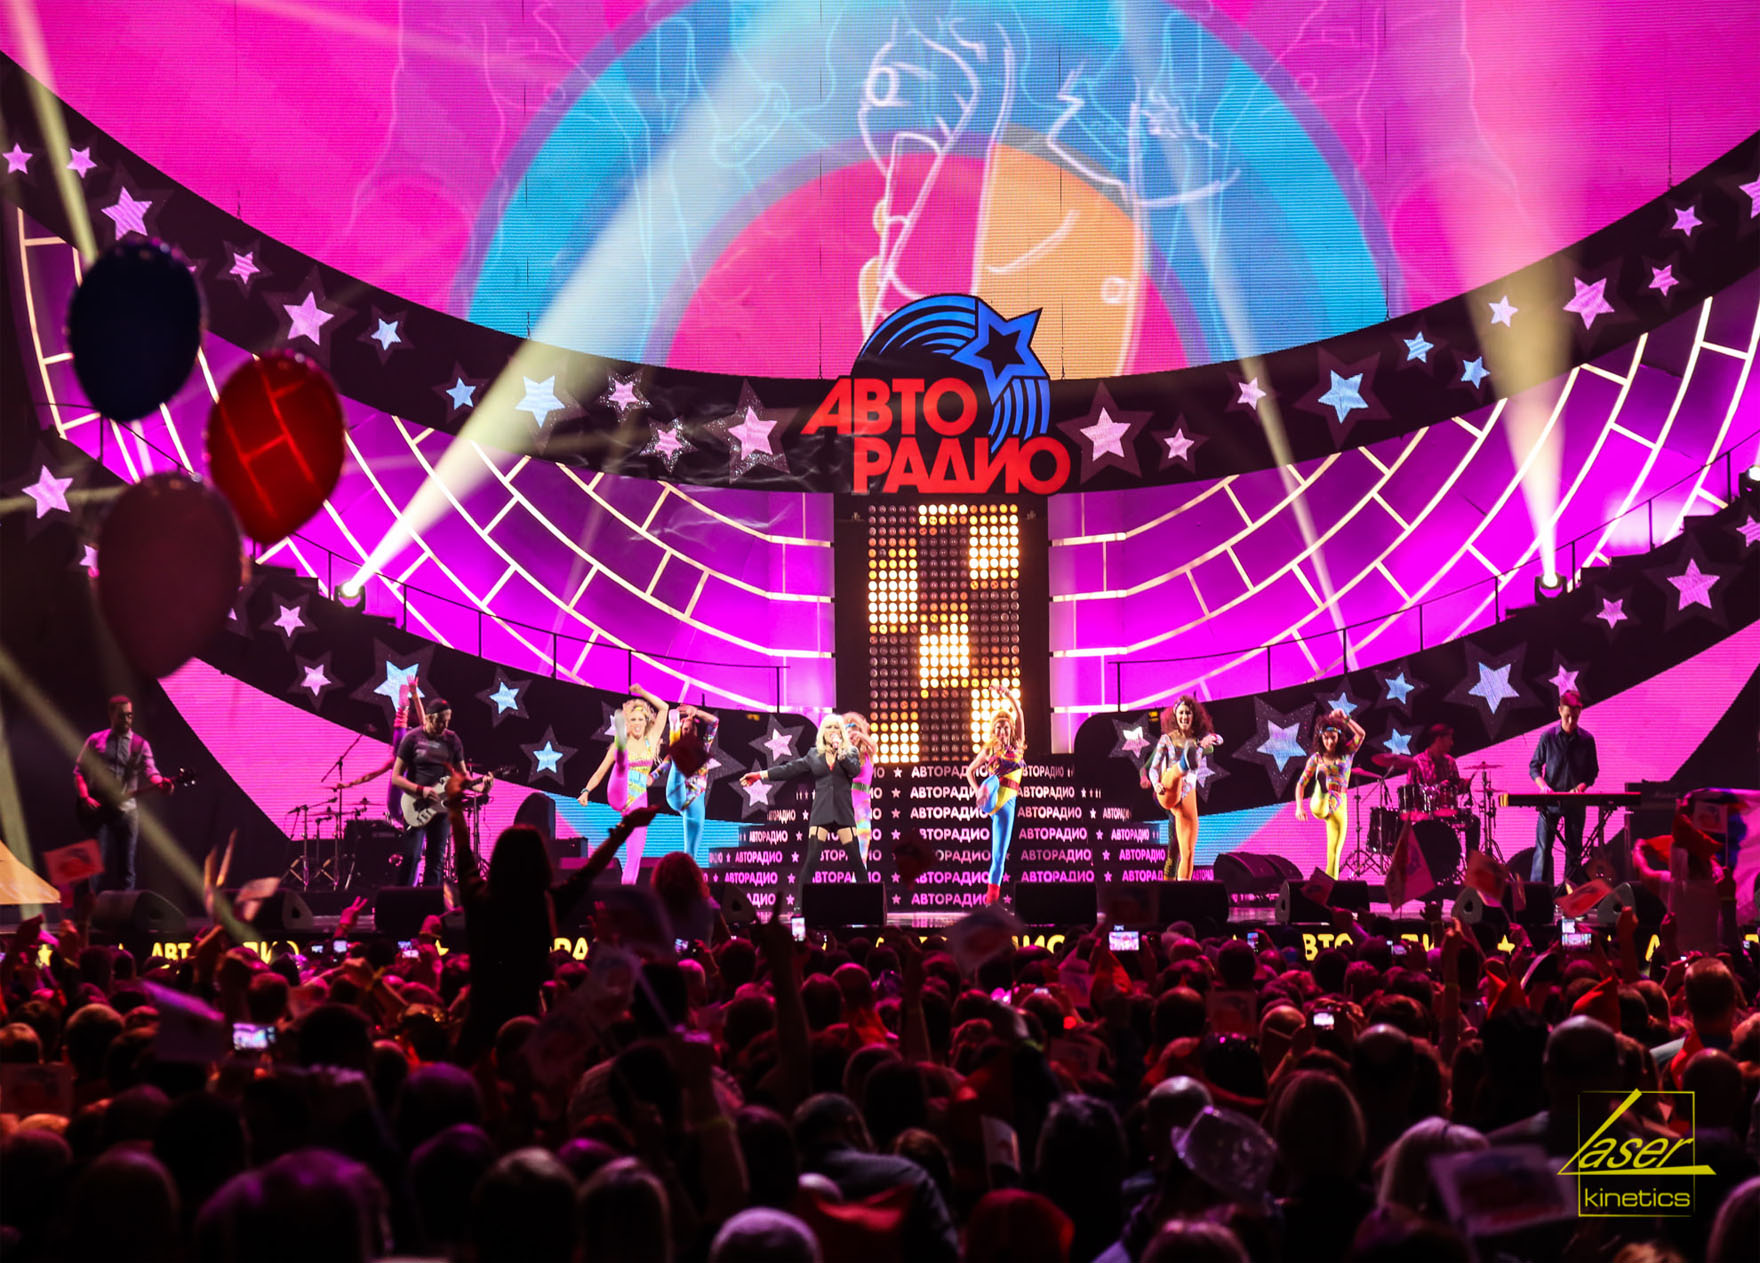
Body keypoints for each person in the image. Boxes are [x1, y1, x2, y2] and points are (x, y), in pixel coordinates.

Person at [743, 720, 865, 886]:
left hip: (843, 812)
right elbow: (789, 769)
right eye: (829, 727)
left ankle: (868, 901)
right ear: (823, 732)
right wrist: (760, 775)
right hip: (821, 813)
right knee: (811, 861)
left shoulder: (850, 752)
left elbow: (854, 770)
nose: (832, 730)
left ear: (841, 732)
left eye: (836, 727)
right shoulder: (813, 754)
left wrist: (841, 754)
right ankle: (800, 902)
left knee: (856, 861)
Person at [74, 695, 177, 892]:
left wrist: (162, 783)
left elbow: (152, 772)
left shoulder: (140, 744)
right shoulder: (95, 740)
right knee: (92, 867)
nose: (127, 720)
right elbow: (79, 772)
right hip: (98, 810)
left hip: (126, 812)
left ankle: (125, 909)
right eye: (122, 716)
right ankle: (89, 908)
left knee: (127, 869)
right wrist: (85, 797)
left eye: (130, 715)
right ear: (111, 714)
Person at [389, 699, 493, 886]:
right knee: (411, 857)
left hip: (442, 809)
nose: (444, 726)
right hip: (416, 806)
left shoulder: (452, 740)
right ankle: (402, 899)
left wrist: (482, 787)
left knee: (436, 861)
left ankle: (432, 901)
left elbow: (463, 777)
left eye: (447, 721)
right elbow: (396, 777)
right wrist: (421, 790)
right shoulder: (412, 739)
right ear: (429, 718)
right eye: (440, 721)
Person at [578, 694, 664, 883]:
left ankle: (627, 890)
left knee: (634, 857)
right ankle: (622, 757)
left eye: (640, 719)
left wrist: (641, 691)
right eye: (633, 720)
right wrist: (586, 791)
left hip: (638, 801)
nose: (637, 723)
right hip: (618, 793)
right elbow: (600, 773)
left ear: (646, 721)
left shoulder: (650, 741)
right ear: (627, 723)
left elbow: (664, 708)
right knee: (621, 765)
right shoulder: (615, 748)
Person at [1141, 696, 1223, 881]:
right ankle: (1182, 765)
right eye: (1181, 713)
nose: (1184, 716)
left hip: (1187, 795)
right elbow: (1153, 768)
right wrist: (1156, 783)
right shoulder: (1166, 739)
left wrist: (1211, 738)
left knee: (1187, 851)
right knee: (1175, 775)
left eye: (1188, 713)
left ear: (1193, 716)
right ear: (1175, 716)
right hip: (1167, 791)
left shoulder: (1199, 740)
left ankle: (1183, 888)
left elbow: (1220, 740)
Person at [638, 686, 720, 867]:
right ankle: (673, 731)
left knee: (691, 854)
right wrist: (652, 776)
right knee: (676, 758)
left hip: (695, 802)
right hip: (677, 794)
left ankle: (688, 876)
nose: (687, 732)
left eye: (689, 729)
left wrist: (696, 711)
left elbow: (715, 722)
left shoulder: (704, 746)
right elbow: (664, 765)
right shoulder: (676, 752)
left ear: (696, 732)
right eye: (684, 729)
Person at [1527, 690, 1599, 887]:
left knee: (1574, 852)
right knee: (1543, 850)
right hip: (1550, 802)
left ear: (1580, 712)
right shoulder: (1548, 737)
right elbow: (1534, 766)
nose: (1570, 720)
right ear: (1560, 711)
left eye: (1574, 716)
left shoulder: (1587, 740)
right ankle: (1537, 894)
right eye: (1567, 715)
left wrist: (1580, 787)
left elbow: (1592, 772)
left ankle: (1571, 895)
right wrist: (1543, 786)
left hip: (1575, 803)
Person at [966, 687, 1026, 906]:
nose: (1002, 730)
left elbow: (1019, 712)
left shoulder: (1018, 746)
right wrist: (977, 790)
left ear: (1011, 730)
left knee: (999, 857)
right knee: (992, 780)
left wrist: (1008, 693)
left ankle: (990, 902)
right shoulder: (989, 750)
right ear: (994, 730)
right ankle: (984, 792)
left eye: (1005, 727)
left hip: (1007, 805)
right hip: (990, 796)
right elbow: (969, 771)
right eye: (998, 727)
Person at [336, 680, 425, 824]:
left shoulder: (401, 761)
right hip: (402, 805)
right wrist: (349, 784)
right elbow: (371, 775)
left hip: (401, 805)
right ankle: (403, 709)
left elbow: (371, 775)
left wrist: (349, 784)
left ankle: (403, 709)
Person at [1294, 709, 1367, 878]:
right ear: (1321, 737)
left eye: (1333, 737)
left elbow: (1361, 735)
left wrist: (1346, 719)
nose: (1329, 741)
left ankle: (1330, 887)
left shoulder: (1347, 753)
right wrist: (1299, 807)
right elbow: (1301, 784)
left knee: (1334, 853)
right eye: (1326, 738)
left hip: (1340, 804)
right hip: (1321, 802)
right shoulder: (1316, 758)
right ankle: (1322, 788)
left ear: (1338, 737)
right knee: (1320, 805)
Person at [843, 713, 878, 869]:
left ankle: (859, 875)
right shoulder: (845, 754)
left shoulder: (868, 754)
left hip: (863, 801)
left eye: (854, 733)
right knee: (850, 841)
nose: (853, 737)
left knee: (864, 838)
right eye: (849, 733)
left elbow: (873, 746)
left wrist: (861, 735)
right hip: (848, 800)